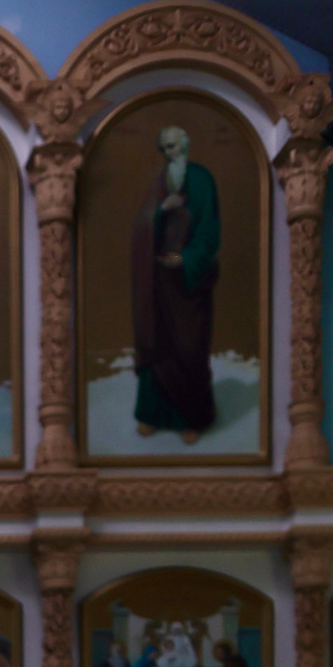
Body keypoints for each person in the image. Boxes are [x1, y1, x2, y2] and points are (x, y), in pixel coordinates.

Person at [132, 123, 219, 443]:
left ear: (185, 144)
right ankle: (152, 415)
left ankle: (191, 420)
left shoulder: (202, 180)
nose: (169, 153)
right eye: (164, 148)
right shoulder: (160, 181)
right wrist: (159, 211)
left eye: (173, 146)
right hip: (159, 280)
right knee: (159, 345)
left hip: (189, 283)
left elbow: (210, 231)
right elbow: (141, 225)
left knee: (190, 348)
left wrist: (187, 259)